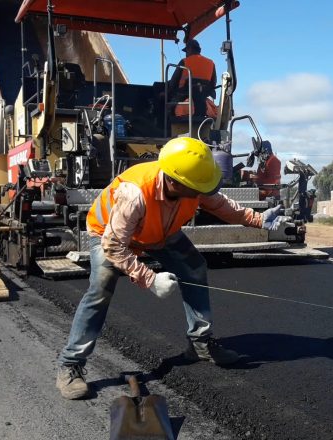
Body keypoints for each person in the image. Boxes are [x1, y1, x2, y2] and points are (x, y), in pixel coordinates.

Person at [57, 137, 289, 400]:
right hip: (108, 235)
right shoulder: (135, 193)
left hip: (158, 232)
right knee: (100, 288)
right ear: (173, 181)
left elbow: (221, 205)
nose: (201, 192)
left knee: (194, 268)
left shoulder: (191, 183)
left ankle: (200, 344)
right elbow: (113, 246)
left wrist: (258, 219)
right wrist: (149, 279)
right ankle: (70, 364)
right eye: (195, 188)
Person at [167, 39, 217, 118]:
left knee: (164, 103)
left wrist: (165, 92)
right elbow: (213, 84)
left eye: (186, 51)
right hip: (202, 100)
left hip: (184, 98)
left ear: (189, 49)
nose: (186, 54)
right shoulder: (211, 63)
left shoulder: (184, 62)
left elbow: (173, 83)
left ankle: (163, 127)